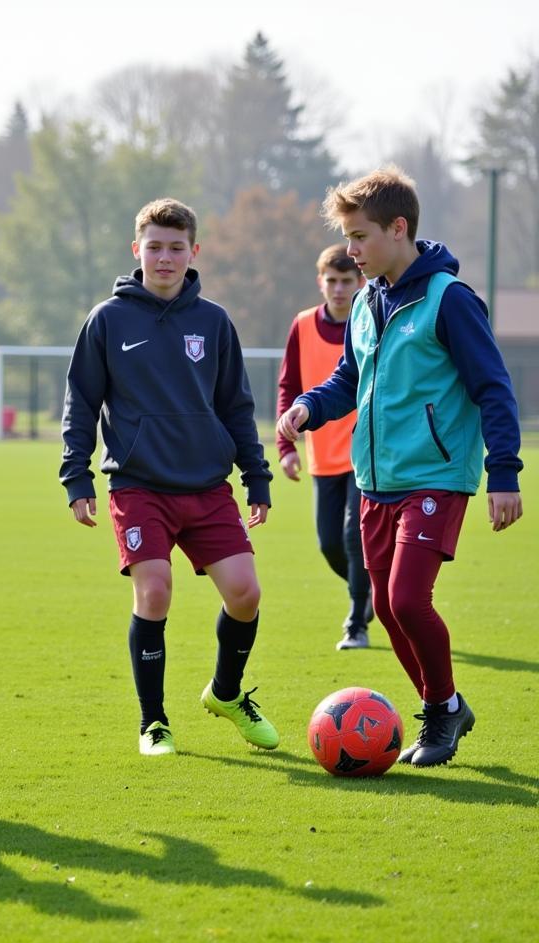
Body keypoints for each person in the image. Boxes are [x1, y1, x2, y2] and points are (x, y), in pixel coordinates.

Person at [278, 166, 523, 768]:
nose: (351, 250)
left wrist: (506, 474)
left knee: (409, 600)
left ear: (398, 228)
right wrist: (310, 405)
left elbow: (494, 388)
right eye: (347, 238)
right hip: (375, 480)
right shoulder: (365, 303)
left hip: (435, 477)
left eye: (360, 237)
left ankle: (439, 715)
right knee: (386, 607)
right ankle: (447, 706)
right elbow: (349, 380)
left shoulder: (450, 300)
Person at [60, 197, 279, 757]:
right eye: (154, 247)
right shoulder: (107, 320)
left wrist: (257, 476)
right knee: (154, 591)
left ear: (193, 252)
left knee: (246, 593)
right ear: (137, 251)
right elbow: (81, 404)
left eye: (176, 247)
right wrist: (77, 478)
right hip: (138, 485)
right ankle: (154, 723)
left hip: (207, 486)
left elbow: (237, 405)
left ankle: (226, 694)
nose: (164, 257)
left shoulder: (214, 321)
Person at [276, 244, 372, 650]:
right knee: (329, 543)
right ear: (320, 282)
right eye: (331, 280)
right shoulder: (301, 325)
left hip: (364, 452)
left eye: (346, 281)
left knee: (354, 538)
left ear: (360, 282)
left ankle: (356, 622)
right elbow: (289, 386)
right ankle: (366, 593)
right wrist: (286, 446)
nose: (337, 289)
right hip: (321, 456)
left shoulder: (369, 321)